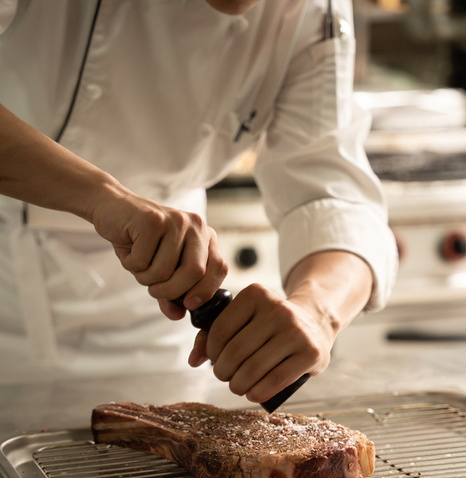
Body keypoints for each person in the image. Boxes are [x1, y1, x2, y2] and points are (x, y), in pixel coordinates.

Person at [0, 0, 398, 404]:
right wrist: (103, 198)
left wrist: (319, 311)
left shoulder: (314, 9)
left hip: (160, 308)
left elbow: (329, 189)